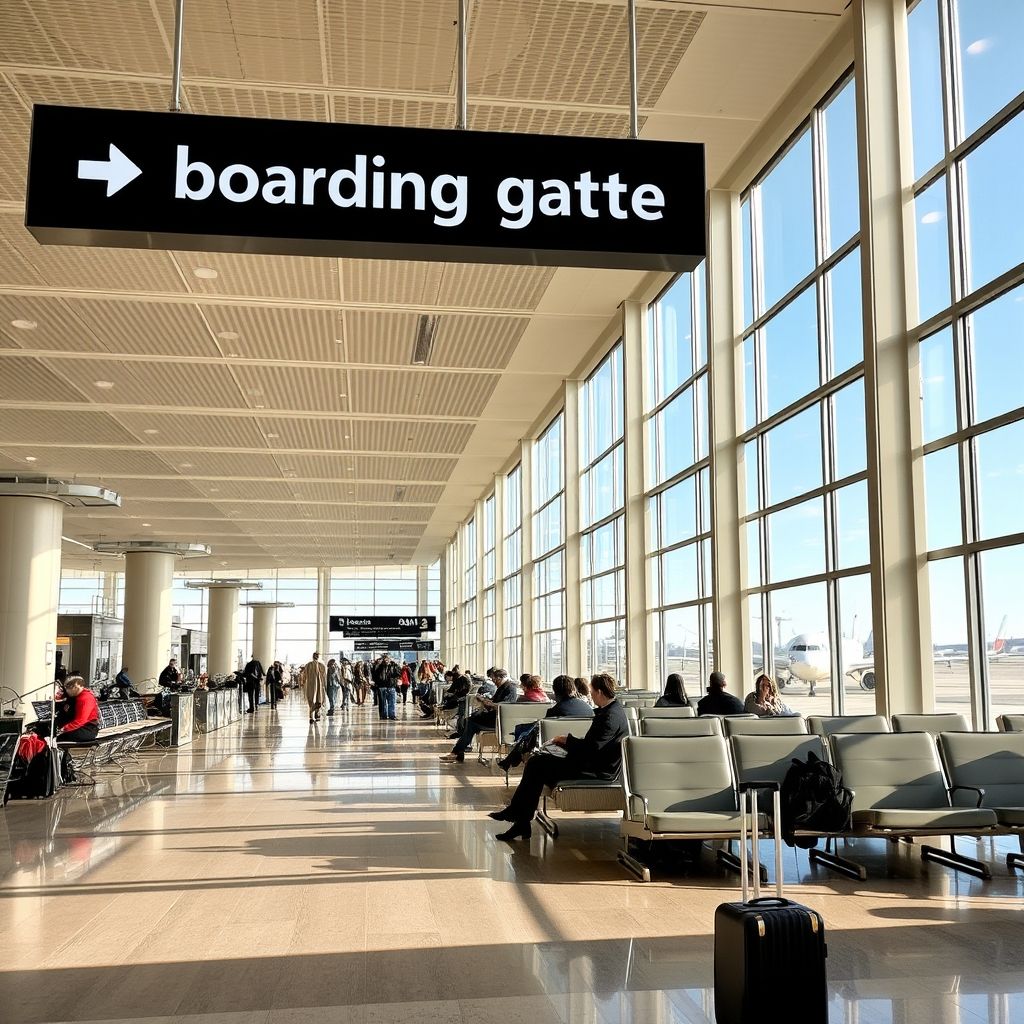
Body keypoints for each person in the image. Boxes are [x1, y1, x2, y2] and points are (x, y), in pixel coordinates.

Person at [488, 674, 629, 840]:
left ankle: (519, 819)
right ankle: (520, 821)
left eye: (591, 691)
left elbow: (592, 748)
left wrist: (566, 740)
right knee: (536, 763)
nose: (590, 694)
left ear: (599, 692)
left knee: (536, 765)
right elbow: (595, 745)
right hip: (594, 763)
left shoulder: (609, 717)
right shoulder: (613, 711)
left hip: (596, 769)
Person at [496, 675, 594, 773]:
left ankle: (511, 759)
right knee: (532, 730)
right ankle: (511, 758)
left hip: (560, 751)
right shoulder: (588, 709)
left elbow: (547, 738)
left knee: (532, 732)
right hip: (585, 753)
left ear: (555, 692)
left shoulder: (554, 711)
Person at [440, 672, 517, 763]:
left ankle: (457, 752)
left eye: (495, 680)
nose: (494, 682)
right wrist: (485, 701)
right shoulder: (501, 688)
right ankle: (458, 751)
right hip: (494, 717)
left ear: (500, 678)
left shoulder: (510, 689)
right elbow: (494, 702)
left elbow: (505, 706)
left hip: (498, 721)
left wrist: (490, 703)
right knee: (468, 721)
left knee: (470, 723)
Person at [31, 676, 100, 743]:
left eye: (67, 689)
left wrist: (63, 729)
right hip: (78, 727)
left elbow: (80, 720)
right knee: (43, 728)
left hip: (86, 729)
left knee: (53, 736)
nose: (66, 691)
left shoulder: (85, 698)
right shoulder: (76, 696)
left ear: (75, 687)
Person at [302, 651, 327, 723]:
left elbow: (324, 677)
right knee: (315, 699)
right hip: (315, 685)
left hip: (315, 685)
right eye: (316, 655)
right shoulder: (313, 665)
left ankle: (314, 715)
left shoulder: (318, 665)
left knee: (315, 700)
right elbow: (305, 675)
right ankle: (314, 715)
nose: (316, 656)